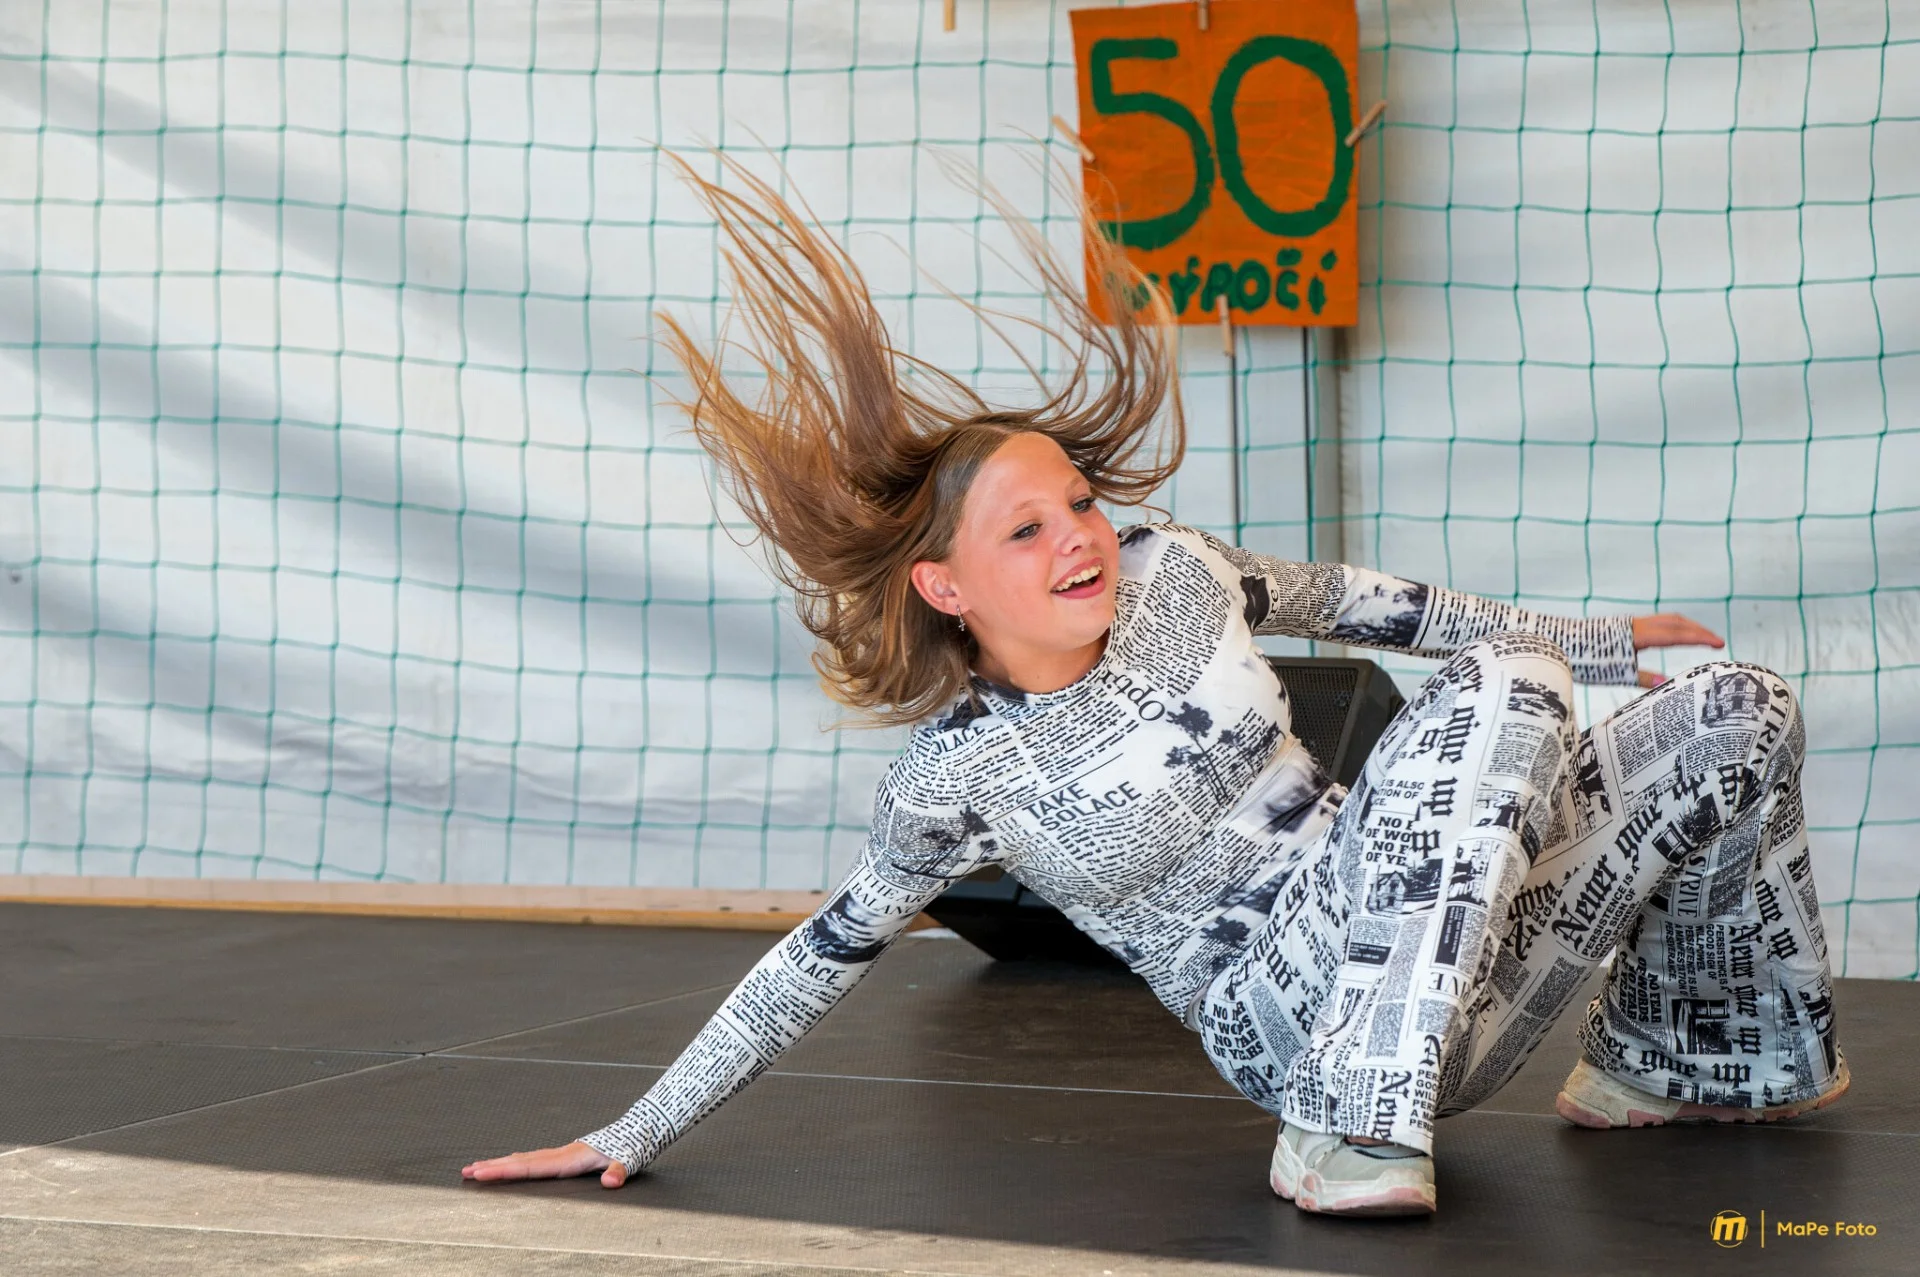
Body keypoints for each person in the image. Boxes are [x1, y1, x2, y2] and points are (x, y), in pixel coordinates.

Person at [462, 158, 1848, 1216]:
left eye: (1077, 502)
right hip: (1294, 1019)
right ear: (946, 586)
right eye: (1026, 530)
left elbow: (1371, 605)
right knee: (1509, 685)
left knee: (1740, 710)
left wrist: (1602, 643)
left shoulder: (1171, 570)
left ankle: (1685, 1059)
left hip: (1453, 953)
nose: (1079, 536)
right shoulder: (958, 773)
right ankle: (1342, 1129)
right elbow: (813, 961)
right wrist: (631, 1131)